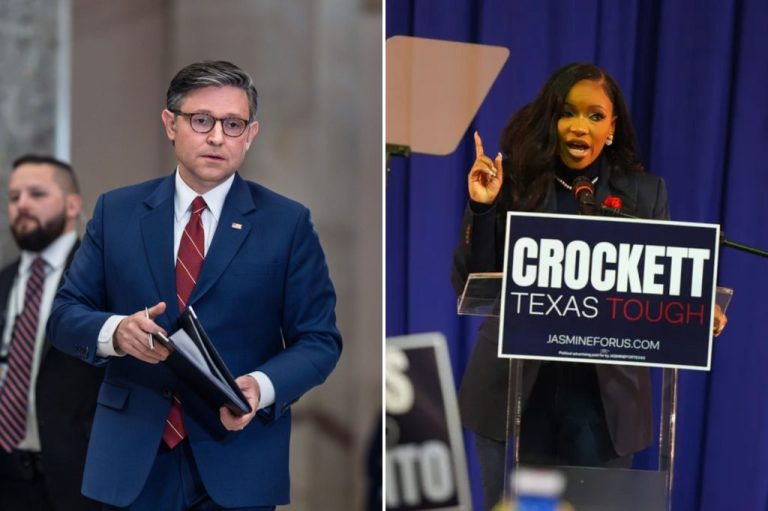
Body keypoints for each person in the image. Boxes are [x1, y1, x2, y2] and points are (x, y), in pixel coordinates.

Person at [47, 60, 342, 510]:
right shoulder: (117, 212)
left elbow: (320, 339)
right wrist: (115, 333)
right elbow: (66, 315)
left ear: (251, 133)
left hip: (237, 458)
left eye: (233, 124)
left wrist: (260, 388)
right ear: (171, 123)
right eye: (202, 121)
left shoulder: (287, 224)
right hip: (132, 461)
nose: (218, 137)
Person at [451, 62, 727, 509]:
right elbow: (471, 283)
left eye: (595, 115)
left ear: (612, 128)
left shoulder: (644, 195)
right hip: (515, 397)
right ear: (551, 120)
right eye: (567, 113)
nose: (580, 126)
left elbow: (663, 281)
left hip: (603, 406)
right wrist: (483, 209)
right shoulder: (514, 185)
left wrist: (698, 307)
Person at [0, 155, 103, 510]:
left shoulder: (100, 280)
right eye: (14, 198)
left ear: (72, 204)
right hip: (8, 475)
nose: (22, 205)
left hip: (77, 476)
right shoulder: (4, 281)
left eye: (36, 194)